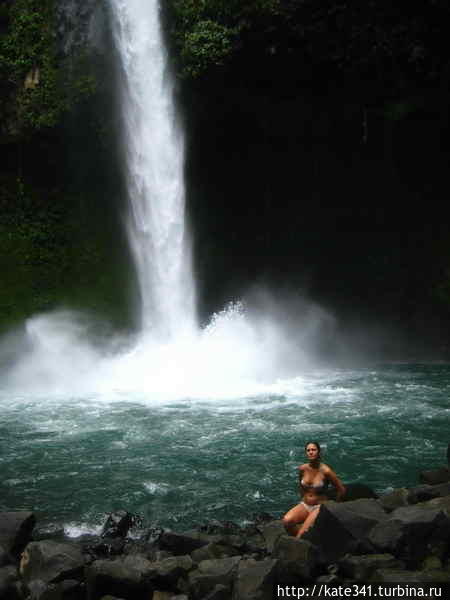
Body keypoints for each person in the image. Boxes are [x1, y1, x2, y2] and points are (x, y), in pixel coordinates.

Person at [282, 441, 346, 537]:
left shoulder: (326, 471)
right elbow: (301, 486)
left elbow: (341, 489)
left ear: (318, 452)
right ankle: (306, 540)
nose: (311, 452)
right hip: (305, 505)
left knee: (300, 535)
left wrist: (333, 507)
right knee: (287, 521)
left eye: (313, 450)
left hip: (319, 507)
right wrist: (303, 500)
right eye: (308, 450)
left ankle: (301, 541)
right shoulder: (302, 469)